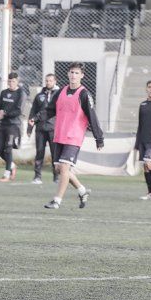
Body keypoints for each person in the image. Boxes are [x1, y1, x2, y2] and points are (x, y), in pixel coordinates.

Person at [43, 62, 104, 210]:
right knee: (59, 169)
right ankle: (82, 191)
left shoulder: (84, 94)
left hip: (73, 137)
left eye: (77, 73)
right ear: (68, 74)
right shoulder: (61, 91)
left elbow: (92, 116)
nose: (73, 75)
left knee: (64, 168)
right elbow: (50, 110)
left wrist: (99, 137)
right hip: (59, 135)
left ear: (82, 75)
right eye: (71, 72)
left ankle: (57, 201)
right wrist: (36, 118)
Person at [27, 73, 59, 184]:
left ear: (55, 81)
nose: (48, 83)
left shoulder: (59, 95)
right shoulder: (39, 95)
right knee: (39, 152)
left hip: (53, 129)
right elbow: (33, 112)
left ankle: (56, 177)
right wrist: (29, 129)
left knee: (55, 154)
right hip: (40, 128)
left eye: (50, 80)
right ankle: (37, 177)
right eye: (46, 81)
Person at [0, 72, 24, 182]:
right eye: (9, 81)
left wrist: (5, 113)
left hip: (14, 125)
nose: (11, 83)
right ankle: (11, 165)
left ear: (17, 82)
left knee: (8, 149)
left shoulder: (21, 93)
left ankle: (6, 175)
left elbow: (18, 110)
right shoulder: (4, 93)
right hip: (3, 124)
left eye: (13, 81)